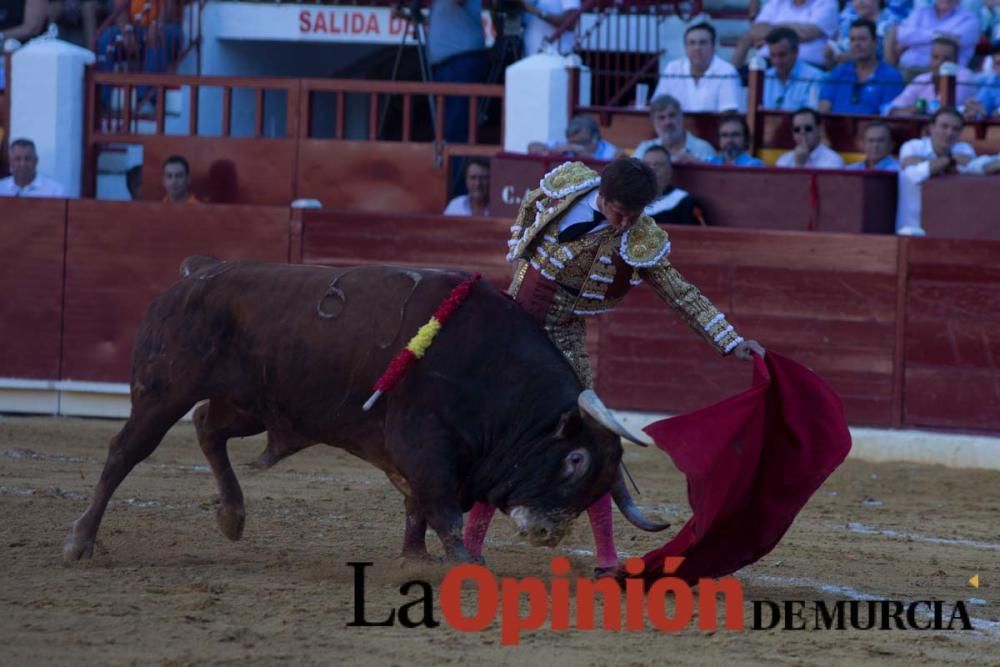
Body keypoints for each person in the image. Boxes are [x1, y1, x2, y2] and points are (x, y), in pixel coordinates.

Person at [463, 158, 763, 576]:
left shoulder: (639, 238)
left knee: (593, 439)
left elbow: (679, 292)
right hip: (513, 331)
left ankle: (606, 556)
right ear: (601, 195)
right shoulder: (567, 186)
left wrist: (728, 340)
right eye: (620, 213)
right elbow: (529, 212)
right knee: (498, 437)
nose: (625, 225)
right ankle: (469, 546)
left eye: (635, 216)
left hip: (561, 337)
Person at [895, 107, 975, 235]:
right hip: (910, 226)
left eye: (956, 129)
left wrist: (931, 162)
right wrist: (951, 160)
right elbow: (916, 176)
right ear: (931, 128)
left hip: (948, 227)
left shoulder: (965, 149)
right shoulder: (912, 146)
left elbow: (966, 174)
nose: (949, 133)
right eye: (944, 126)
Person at [428, 0, 489, 144]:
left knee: (456, 127)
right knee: (446, 127)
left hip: (462, 60)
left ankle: (458, 165)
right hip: (447, 62)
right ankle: (452, 164)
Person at [651, 22, 743, 113]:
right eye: (692, 43)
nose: (697, 48)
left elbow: (729, 113)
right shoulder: (673, 68)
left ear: (714, 47)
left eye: (702, 43)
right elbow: (657, 106)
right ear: (685, 48)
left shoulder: (727, 71)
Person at [819, 19, 905, 115]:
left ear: (875, 42)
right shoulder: (837, 73)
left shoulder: (891, 76)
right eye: (852, 40)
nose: (856, 44)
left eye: (862, 39)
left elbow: (890, 116)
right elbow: (824, 109)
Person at [732, 0, 839, 69]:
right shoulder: (776, 3)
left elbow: (808, 33)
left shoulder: (826, 3)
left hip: (807, 65)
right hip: (767, 62)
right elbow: (755, 31)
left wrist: (770, 30)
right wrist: (794, 28)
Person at [886, 37, 978, 115]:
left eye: (946, 59)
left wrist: (919, 110)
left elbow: (943, 111)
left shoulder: (965, 77)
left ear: (956, 61)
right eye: (935, 57)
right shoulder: (922, 79)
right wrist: (910, 110)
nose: (939, 63)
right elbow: (891, 109)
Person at [887, 0, 981, 73]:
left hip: (942, 76)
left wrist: (915, 40)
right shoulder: (920, 12)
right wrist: (938, 36)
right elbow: (902, 35)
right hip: (905, 68)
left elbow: (951, 44)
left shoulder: (970, 20)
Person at [633, 95, 716, 163]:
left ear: (681, 117)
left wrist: (697, 163)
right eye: (661, 118)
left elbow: (716, 178)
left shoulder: (703, 149)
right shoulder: (644, 148)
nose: (667, 122)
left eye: (672, 115)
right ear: (653, 122)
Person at [762, 28, 825, 112]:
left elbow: (812, 116)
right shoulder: (764, 78)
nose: (777, 61)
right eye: (773, 55)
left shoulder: (814, 77)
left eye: (782, 55)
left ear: (795, 52)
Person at [824, 0, 901, 67]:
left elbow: (890, 64)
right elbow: (834, 64)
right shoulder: (848, 24)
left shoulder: (892, 24)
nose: (860, 2)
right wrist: (829, 57)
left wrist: (855, 57)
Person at [641, 145, 703, 225]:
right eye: (647, 165)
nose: (652, 169)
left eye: (658, 165)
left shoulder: (684, 201)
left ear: (669, 170)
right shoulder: (630, 201)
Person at [776, 107, 846, 167]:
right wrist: (798, 165)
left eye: (808, 128)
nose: (802, 133)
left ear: (819, 130)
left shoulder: (833, 160)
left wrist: (800, 167)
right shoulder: (783, 160)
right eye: (797, 129)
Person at [527, 115, 618, 160]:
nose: (576, 146)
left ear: (596, 138)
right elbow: (532, 147)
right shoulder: (562, 145)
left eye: (583, 143)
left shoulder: (610, 152)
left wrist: (582, 152)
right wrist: (550, 151)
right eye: (573, 143)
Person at [0, 138, 66, 197]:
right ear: (10, 162)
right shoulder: (1, 189)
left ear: (36, 161)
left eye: (28, 159)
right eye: (18, 159)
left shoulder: (55, 192)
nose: (23, 164)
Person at [963, 43, 1000, 119]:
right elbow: (982, 110)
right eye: (998, 63)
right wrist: (974, 109)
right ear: (993, 65)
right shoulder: (992, 82)